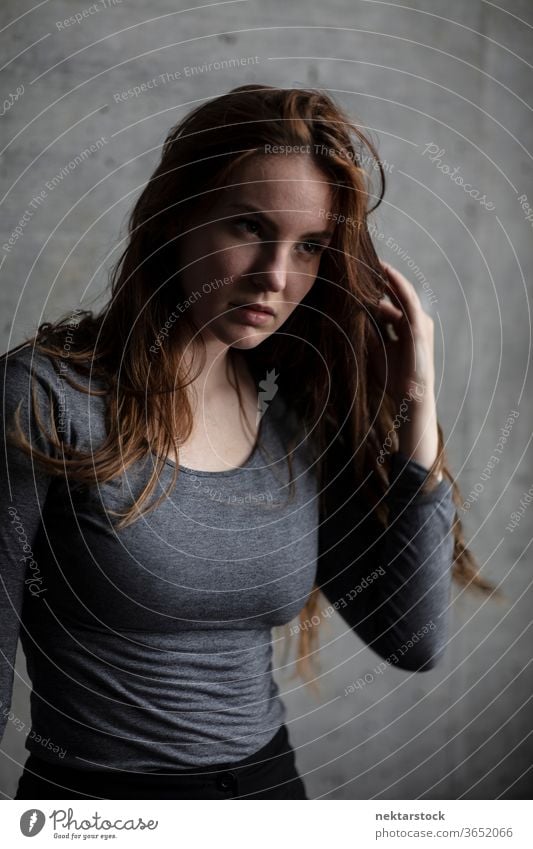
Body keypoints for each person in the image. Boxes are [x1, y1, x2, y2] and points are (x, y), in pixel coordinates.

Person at [0, 84, 496, 801]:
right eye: (247, 227)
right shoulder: (42, 398)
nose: (275, 275)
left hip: (270, 792)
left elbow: (410, 640)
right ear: (174, 219)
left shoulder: (291, 408)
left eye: (310, 247)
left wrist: (413, 408)